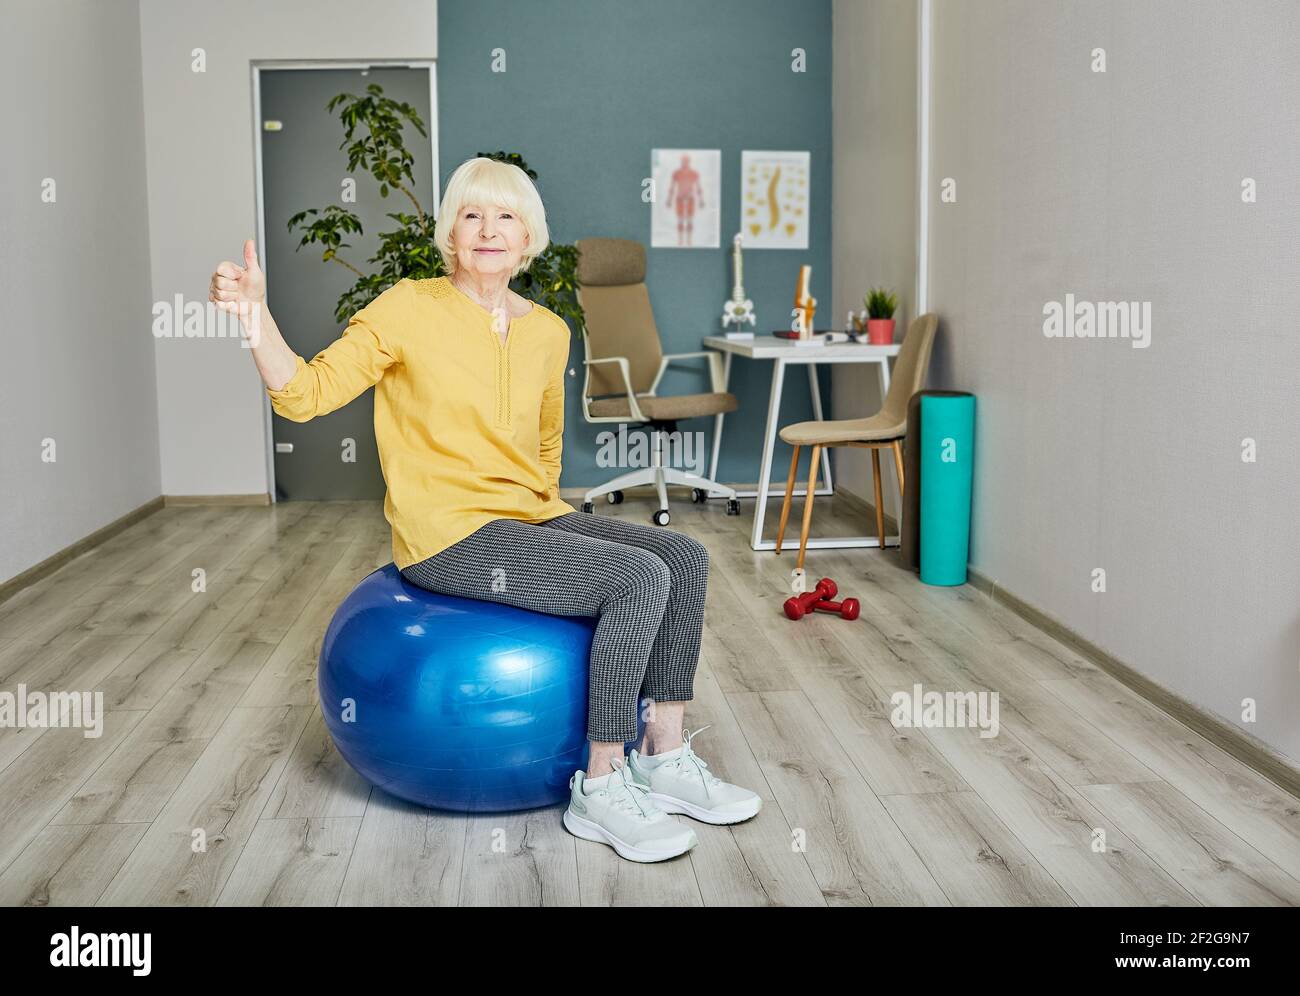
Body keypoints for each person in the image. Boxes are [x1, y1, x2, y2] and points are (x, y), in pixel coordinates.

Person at [209, 156, 759, 863]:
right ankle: (601, 782)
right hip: (448, 532)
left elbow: (548, 442)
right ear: (451, 233)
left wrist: (554, 528)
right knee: (636, 578)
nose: (489, 230)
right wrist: (254, 316)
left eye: (506, 216)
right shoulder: (407, 307)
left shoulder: (550, 330)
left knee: (682, 555)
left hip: (527, 512)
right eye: (471, 214)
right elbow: (305, 392)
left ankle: (664, 754)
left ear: (529, 236)